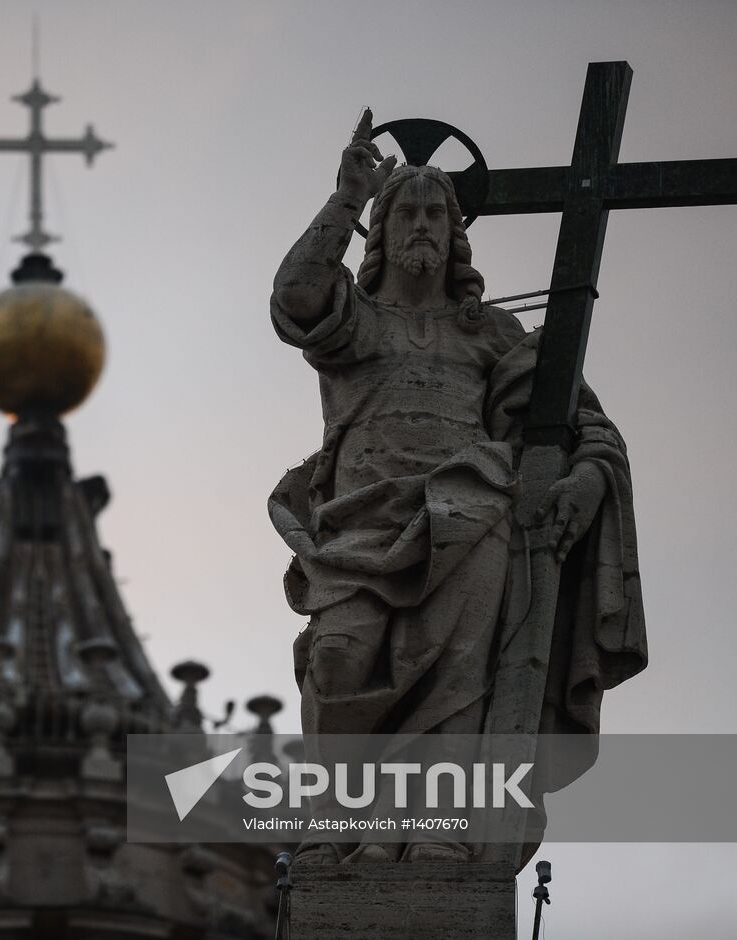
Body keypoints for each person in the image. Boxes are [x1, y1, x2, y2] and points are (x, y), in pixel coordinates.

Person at [267, 112, 646, 863]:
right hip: (357, 525)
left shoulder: (492, 334)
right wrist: (345, 199)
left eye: (435, 212)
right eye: (404, 210)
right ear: (380, 231)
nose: (422, 224)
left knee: (456, 677)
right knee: (340, 657)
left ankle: (434, 837)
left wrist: (585, 481)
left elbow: (587, 425)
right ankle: (342, 829)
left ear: (455, 232)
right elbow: (297, 296)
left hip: (472, 516)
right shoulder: (355, 321)